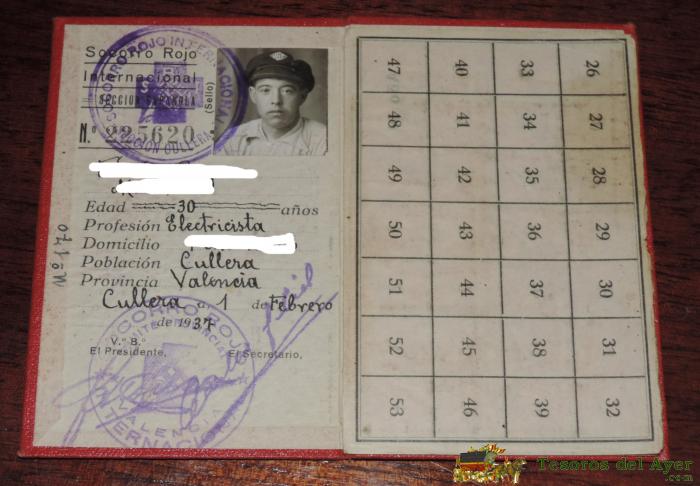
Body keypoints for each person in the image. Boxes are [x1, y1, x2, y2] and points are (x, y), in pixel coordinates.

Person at [222, 50, 327, 156]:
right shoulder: (232, 139)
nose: (276, 101)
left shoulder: (323, 140)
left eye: (287, 91)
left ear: (302, 96)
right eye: (265, 90)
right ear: (253, 95)